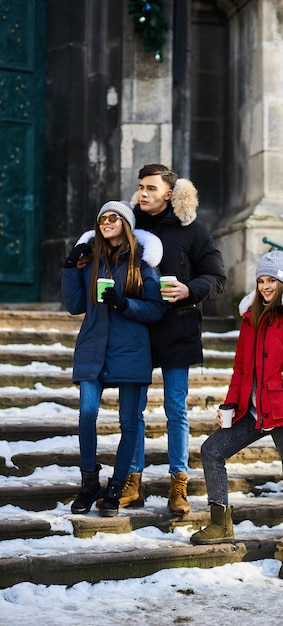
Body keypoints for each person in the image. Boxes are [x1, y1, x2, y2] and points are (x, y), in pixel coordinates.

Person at [189, 251, 283, 581]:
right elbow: (241, 368)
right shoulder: (251, 320)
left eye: (271, 280)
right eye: (261, 280)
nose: (266, 286)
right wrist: (230, 405)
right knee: (211, 451)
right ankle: (220, 523)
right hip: (253, 412)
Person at [124, 163, 227, 515]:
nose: (143, 193)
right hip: (135, 329)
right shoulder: (129, 226)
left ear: (169, 194)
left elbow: (216, 275)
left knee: (175, 411)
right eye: (141, 187)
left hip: (178, 328)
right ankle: (131, 482)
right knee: (132, 412)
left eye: (151, 188)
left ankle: (177, 485)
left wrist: (189, 288)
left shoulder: (193, 230)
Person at [61, 201, 166, 517]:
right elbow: (75, 305)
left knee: (128, 421)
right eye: (102, 218)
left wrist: (125, 304)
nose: (106, 222)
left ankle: (116, 487)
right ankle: (89, 482)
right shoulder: (89, 260)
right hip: (93, 347)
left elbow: (157, 309)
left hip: (130, 349)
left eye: (113, 217)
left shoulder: (142, 264)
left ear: (126, 224)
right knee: (87, 414)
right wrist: (69, 269)